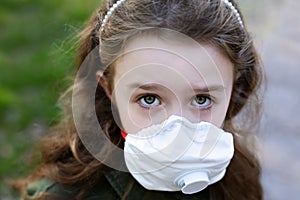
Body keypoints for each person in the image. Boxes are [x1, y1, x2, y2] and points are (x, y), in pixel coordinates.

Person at [13, 0, 264, 199]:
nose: (177, 127)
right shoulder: (63, 195)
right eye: (150, 99)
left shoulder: (239, 180)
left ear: (234, 88)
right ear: (109, 89)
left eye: (201, 99)